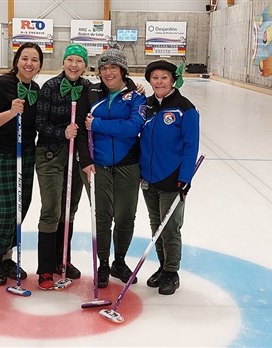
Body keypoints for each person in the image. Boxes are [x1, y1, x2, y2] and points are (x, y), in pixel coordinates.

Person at [75, 48, 147, 288]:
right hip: (99, 166)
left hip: (128, 164)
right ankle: (103, 263)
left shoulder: (136, 96)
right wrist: (86, 160)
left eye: (112, 68)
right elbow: (81, 130)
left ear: (122, 70)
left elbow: (133, 127)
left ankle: (119, 261)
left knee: (126, 217)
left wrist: (98, 124)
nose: (107, 73)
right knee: (102, 217)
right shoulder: (91, 92)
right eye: (103, 69)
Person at [0, 42, 43, 286]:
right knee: (5, 209)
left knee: (21, 206)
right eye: (25, 58)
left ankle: (8, 257)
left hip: (25, 153)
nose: (29, 63)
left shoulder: (35, 89)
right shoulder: (1, 85)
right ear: (17, 60)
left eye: (34, 60)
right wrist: (11, 112)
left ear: (39, 65)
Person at [139, 60, 200, 295]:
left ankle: (172, 272)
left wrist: (185, 177)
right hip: (148, 179)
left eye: (164, 77)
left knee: (170, 228)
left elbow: (190, 145)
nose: (159, 82)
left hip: (172, 179)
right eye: (155, 77)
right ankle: (163, 267)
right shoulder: (146, 106)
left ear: (173, 80)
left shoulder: (185, 109)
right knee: (157, 226)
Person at [34, 44, 89, 290]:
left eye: (79, 61)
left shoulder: (89, 89)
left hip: (76, 156)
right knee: (51, 210)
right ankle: (45, 268)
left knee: (70, 209)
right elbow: (39, 123)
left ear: (85, 66)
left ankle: (62, 260)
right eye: (71, 60)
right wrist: (62, 132)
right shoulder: (50, 87)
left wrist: (135, 86)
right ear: (64, 63)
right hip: (50, 155)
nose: (74, 65)